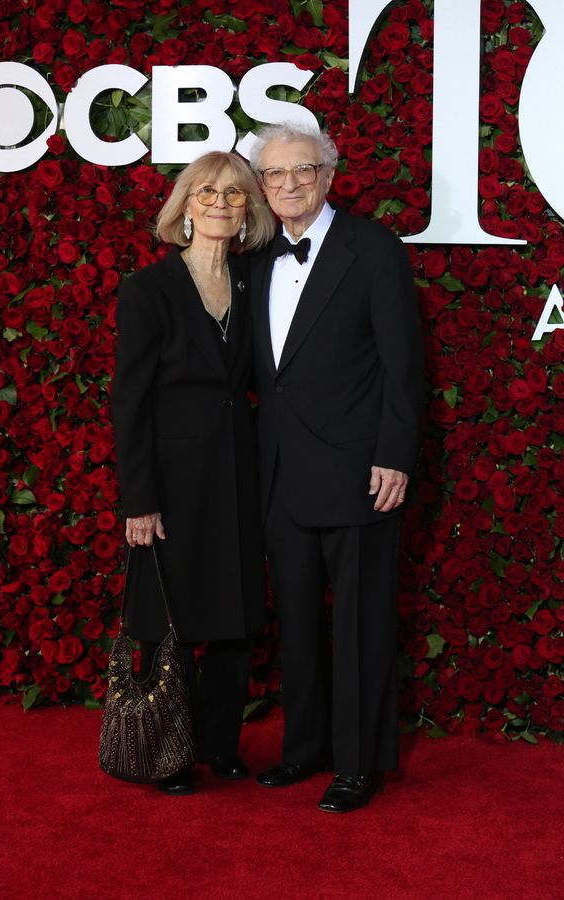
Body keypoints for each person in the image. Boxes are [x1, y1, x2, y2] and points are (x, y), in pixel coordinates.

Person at [248, 123, 424, 813]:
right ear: (263, 185)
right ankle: (306, 750)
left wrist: (394, 455)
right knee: (296, 622)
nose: (288, 184)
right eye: (274, 175)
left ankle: (358, 764)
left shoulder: (373, 250)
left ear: (328, 174)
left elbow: (403, 366)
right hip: (282, 474)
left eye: (302, 171)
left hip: (359, 472)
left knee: (359, 625)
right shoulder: (258, 253)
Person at [110, 151, 276, 795]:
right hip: (172, 483)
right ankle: (165, 750)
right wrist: (139, 500)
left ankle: (220, 745)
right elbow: (130, 401)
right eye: (206, 192)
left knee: (234, 612)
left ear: (247, 214)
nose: (220, 204)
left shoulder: (251, 281)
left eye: (234, 195)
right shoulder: (147, 289)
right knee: (168, 617)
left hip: (238, 470)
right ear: (184, 206)